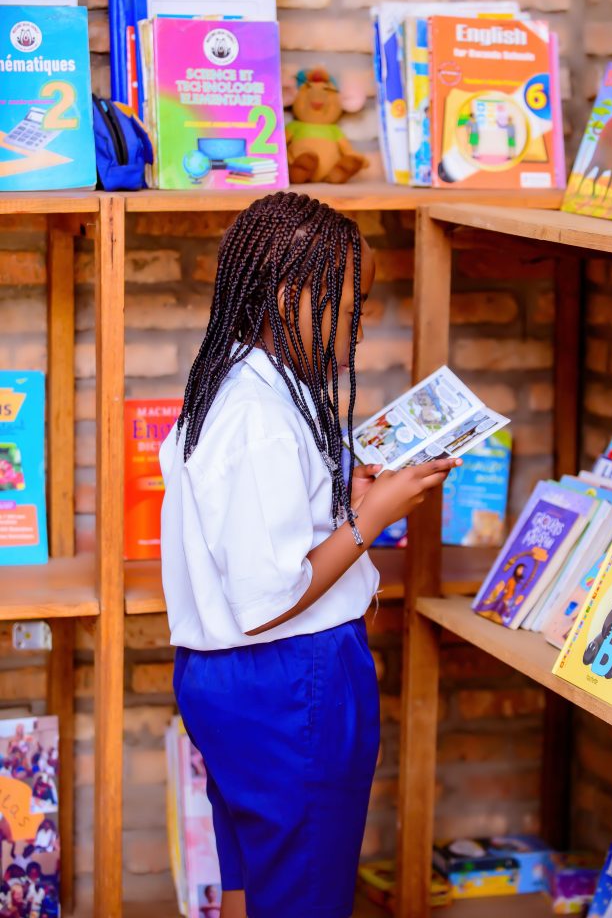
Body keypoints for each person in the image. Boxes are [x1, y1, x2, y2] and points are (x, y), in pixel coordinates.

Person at [160, 192, 457, 918]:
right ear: (290, 296)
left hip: (227, 680)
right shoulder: (259, 416)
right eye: (352, 308)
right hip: (291, 682)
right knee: (306, 891)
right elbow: (268, 599)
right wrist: (372, 517)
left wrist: (343, 495)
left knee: (252, 876)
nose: (360, 328)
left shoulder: (231, 382)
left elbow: (258, 526)